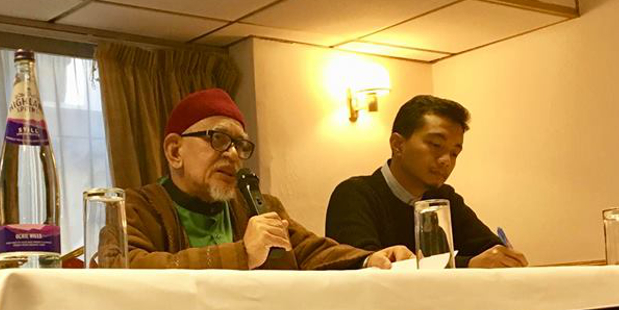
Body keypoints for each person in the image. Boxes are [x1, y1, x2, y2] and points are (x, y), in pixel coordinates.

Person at [125, 88, 412, 270]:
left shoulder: (257, 205)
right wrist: (242, 254)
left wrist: (368, 259)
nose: (234, 154)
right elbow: (125, 266)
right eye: (220, 139)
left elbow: (308, 249)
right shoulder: (136, 208)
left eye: (241, 145)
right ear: (175, 151)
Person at [325, 95, 528, 269]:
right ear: (397, 145)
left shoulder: (444, 198)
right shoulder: (355, 195)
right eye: (436, 145)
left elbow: (489, 249)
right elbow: (370, 267)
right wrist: (469, 264)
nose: (446, 160)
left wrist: (502, 258)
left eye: (455, 153)